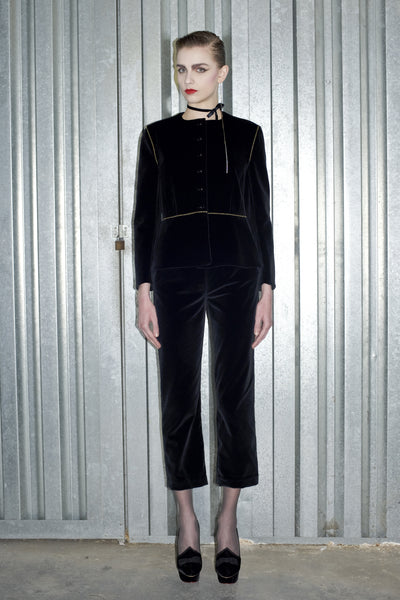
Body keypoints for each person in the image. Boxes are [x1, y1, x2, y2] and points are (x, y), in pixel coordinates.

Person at [133, 30, 275, 584]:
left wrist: (268, 289)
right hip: (174, 276)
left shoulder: (248, 135)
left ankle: (228, 518)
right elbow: (145, 217)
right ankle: (187, 519)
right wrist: (143, 289)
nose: (188, 79)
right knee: (179, 395)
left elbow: (261, 214)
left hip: (239, 275)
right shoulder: (156, 136)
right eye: (180, 69)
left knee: (234, 396)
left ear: (222, 73)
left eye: (199, 68)